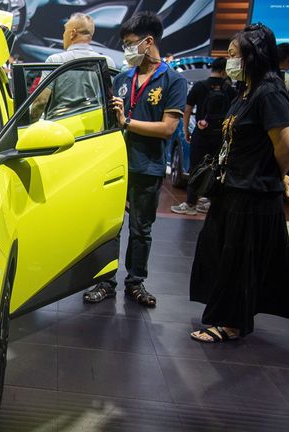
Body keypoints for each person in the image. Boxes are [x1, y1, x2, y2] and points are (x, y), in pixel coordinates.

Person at [189, 24, 289, 343]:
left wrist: (274, 173)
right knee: (218, 250)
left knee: (239, 259)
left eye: (233, 55)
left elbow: (285, 144)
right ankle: (227, 313)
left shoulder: (269, 90)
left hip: (252, 192)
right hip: (233, 187)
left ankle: (232, 323)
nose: (229, 60)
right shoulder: (247, 89)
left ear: (252, 56)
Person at [83, 12, 187, 308]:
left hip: (148, 167)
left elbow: (168, 129)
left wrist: (126, 121)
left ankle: (135, 282)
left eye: (130, 44)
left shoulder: (173, 81)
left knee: (141, 229)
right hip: (115, 166)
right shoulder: (123, 78)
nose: (127, 50)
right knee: (110, 228)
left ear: (148, 41)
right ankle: (104, 281)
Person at [171, 58, 236, 215]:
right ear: (224, 71)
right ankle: (210, 202)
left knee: (196, 167)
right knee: (217, 168)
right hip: (220, 136)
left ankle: (191, 203)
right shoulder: (230, 90)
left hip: (201, 133)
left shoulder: (200, 86)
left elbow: (187, 109)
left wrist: (186, 130)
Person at [31, 13, 115, 120]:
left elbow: (40, 102)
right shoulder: (107, 62)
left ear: (72, 33)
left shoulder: (56, 61)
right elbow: (112, 101)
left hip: (60, 129)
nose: (63, 35)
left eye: (65, 30)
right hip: (97, 129)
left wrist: (29, 125)